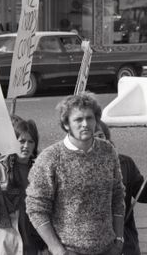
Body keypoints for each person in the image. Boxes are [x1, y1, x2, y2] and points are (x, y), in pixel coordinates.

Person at [26, 93, 125, 255]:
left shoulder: (107, 151)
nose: (85, 124)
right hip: (69, 251)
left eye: (89, 118)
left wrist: (119, 240)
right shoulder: (50, 158)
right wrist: (56, 249)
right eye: (78, 120)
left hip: (108, 249)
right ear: (66, 124)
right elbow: (36, 209)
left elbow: (118, 196)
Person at [0, 118, 45, 255]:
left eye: (30, 141)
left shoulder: (40, 171)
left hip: (32, 243)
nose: (26, 146)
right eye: (21, 141)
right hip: (3, 243)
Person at [95, 121, 147, 255]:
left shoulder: (125, 162)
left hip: (126, 244)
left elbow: (143, 195)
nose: (98, 140)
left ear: (107, 136)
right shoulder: (75, 167)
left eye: (100, 135)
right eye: (92, 136)